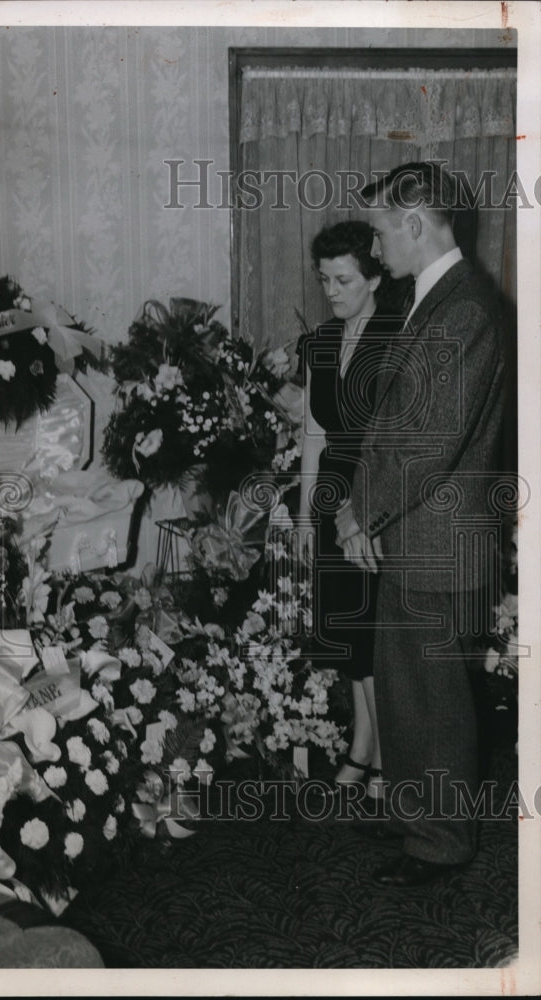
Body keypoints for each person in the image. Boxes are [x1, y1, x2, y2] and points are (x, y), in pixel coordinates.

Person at [335, 162, 506, 886]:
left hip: (437, 537)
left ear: (414, 222)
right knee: (409, 689)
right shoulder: (433, 299)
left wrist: (357, 513)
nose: (374, 251)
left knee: (433, 700)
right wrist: (362, 510)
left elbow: (428, 438)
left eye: (378, 232)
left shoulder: (463, 308)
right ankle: (419, 823)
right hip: (415, 532)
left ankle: (441, 843)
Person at [298, 221, 403, 798]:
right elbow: (313, 432)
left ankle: (384, 755)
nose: (331, 291)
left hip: (375, 493)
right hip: (332, 491)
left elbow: (397, 443)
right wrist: (304, 511)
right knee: (347, 628)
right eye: (324, 279)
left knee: (374, 632)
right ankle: (365, 745)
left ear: (375, 276)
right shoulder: (321, 340)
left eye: (343, 280)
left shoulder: (397, 334)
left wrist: (372, 513)